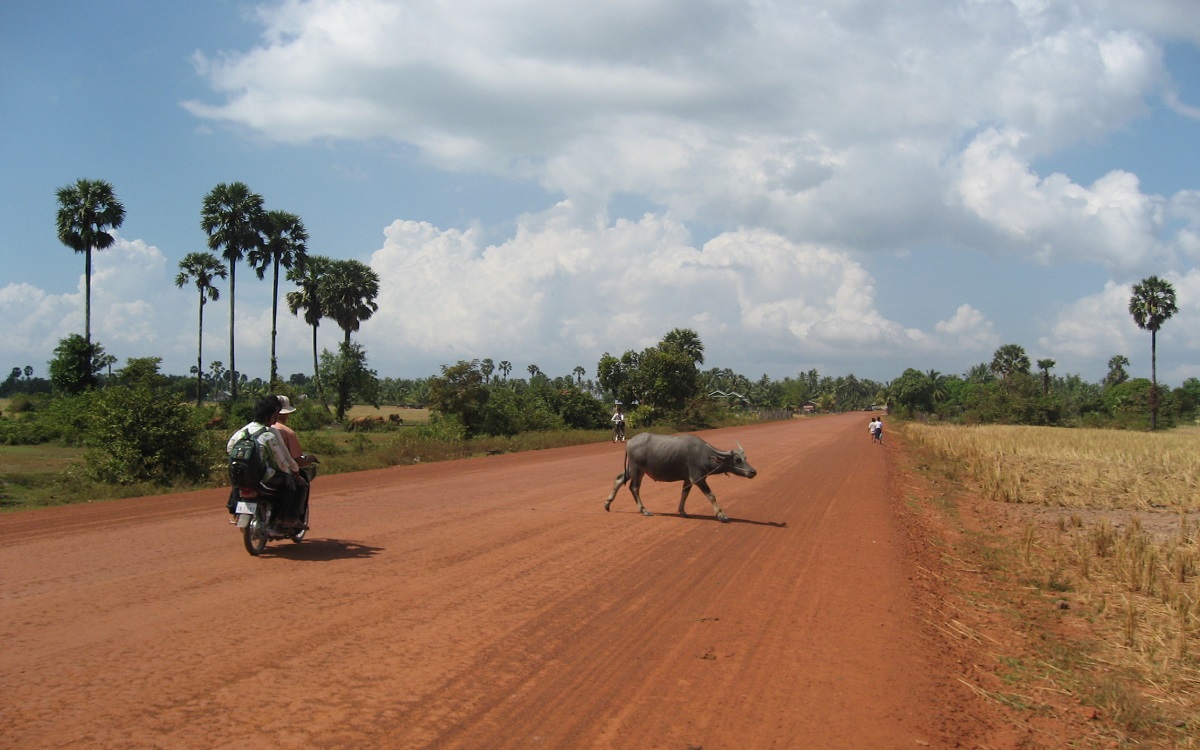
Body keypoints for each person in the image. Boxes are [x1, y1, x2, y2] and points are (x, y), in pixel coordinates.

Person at [225, 395, 303, 524]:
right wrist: (292, 472)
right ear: (268, 416)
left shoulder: (242, 431)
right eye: (275, 415)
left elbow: (229, 448)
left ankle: (234, 510)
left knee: (239, 482)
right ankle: (286, 517)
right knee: (289, 482)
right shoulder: (269, 435)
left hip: (240, 472)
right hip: (263, 476)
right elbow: (282, 461)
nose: (277, 418)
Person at [272, 395, 314, 522]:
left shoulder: (256, 428)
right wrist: (309, 459)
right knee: (301, 485)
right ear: (284, 414)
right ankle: (290, 517)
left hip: (258, 470)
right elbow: (296, 460)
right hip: (281, 471)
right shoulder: (286, 431)